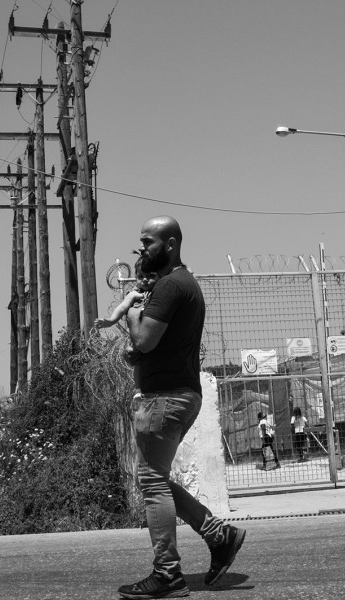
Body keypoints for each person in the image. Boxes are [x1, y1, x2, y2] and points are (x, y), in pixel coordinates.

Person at [119, 215, 246, 600]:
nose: (142, 248)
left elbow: (144, 338)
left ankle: (168, 574)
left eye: (148, 242)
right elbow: (154, 346)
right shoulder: (176, 284)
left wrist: (128, 308)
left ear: (170, 244)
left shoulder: (172, 285)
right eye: (141, 242)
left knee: (152, 481)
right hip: (177, 394)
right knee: (155, 478)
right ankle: (219, 535)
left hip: (166, 399)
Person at [94, 259, 158, 329]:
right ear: (136, 278)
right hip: (139, 327)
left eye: (150, 276)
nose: (145, 279)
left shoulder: (160, 291)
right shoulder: (133, 294)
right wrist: (111, 320)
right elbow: (122, 307)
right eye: (141, 276)